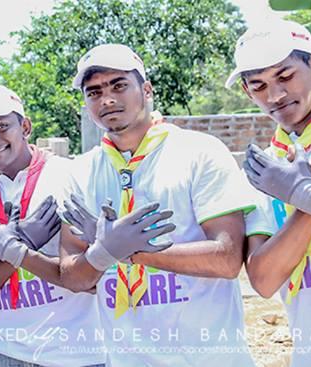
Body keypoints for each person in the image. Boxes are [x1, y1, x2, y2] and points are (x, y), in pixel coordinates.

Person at [58, 44, 255, 366]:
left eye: (119, 85)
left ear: (147, 90)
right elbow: (73, 277)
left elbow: (228, 259)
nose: (106, 99)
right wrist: (100, 254)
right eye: (94, 92)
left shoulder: (199, 152)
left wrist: (127, 252)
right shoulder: (79, 172)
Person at [0, 85, 106, 366]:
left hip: (78, 354)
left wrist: (14, 250)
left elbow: (90, 281)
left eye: (1, 126)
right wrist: (22, 243)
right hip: (8, 353)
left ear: (25, 126)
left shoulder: (70, 176)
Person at [228, 20, 311, 366]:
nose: (274, 96)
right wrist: (306, 200)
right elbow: (263, 279)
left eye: (285, 77)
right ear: (246, 92)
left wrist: (308, 196)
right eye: (258, 85)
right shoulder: (269, 166)